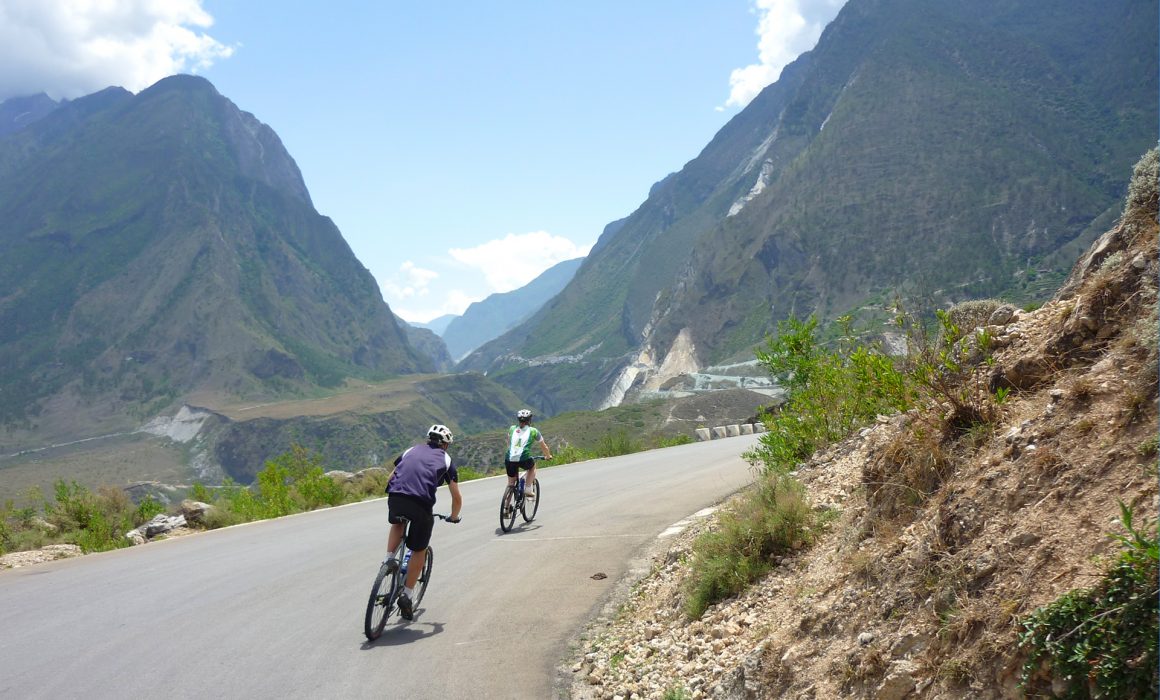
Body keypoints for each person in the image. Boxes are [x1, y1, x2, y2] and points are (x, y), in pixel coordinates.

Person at [384, 423, 462, 621]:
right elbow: (456, 497)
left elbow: (391, 476)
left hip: (395, 496)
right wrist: (454, 516)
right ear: (445, 444)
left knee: (398, 523)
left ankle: (388, 561)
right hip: (420, 503)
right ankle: (408, 595)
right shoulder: (445, 458)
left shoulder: (410, 450)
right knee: (419, 549)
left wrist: (395, 494)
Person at [505, 409, 552, 501]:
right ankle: (528, 488)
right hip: (524, 459)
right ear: (530, 420)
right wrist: (548, 456)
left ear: (518, 420)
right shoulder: (534, 431)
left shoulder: (512, 428)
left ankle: (506, 508)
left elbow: (509, 443)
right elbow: (544, 447)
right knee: (532, 467)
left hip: (509, 458)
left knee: (511, 483)